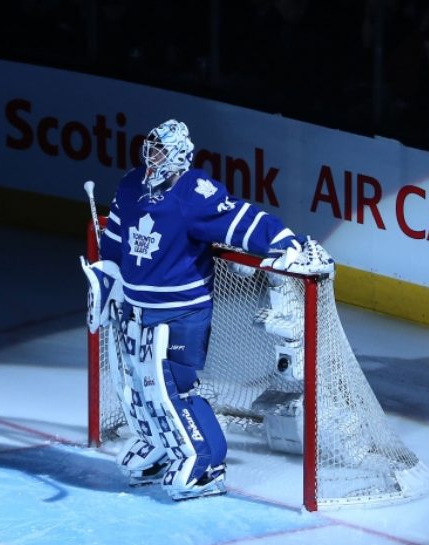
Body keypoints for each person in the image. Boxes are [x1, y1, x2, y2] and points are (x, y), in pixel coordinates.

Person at [80, 119, 333, 500]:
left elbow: (239, 219)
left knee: (172, 388)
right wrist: (105, 278)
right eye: (152, 147)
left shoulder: (194, 191)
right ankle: (160, 445)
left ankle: (206, 464)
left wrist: (282, 239)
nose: (153, 155)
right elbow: (115, 239)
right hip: (137, 308)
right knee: (135, 384)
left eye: (162, 150)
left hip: (181, 312)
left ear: (179, 154)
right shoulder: (132, 184)